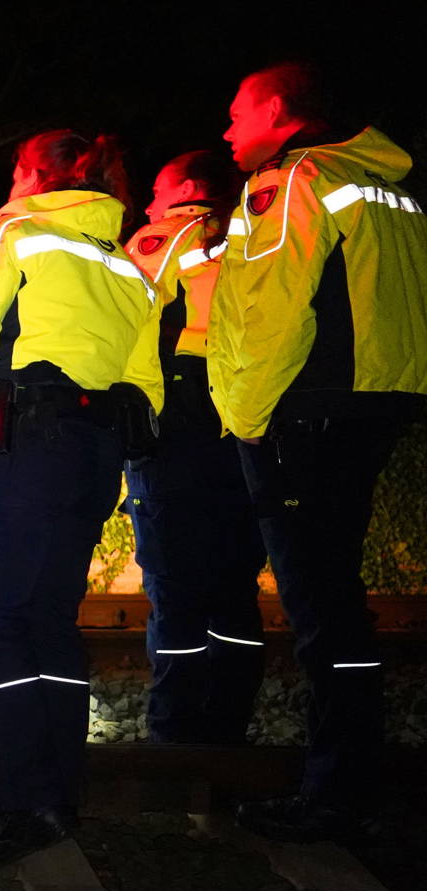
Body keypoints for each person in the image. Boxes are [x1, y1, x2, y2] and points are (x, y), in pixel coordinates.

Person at [210, 61, 427, 841]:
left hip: (305, 413)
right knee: (335, 600)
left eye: (237, 113)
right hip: (372, 404)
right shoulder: (389, 181)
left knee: (320, 610)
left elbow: (271, 310)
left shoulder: (297, 179)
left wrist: (242, 415)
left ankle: (335, 793)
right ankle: (348, 777)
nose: (228, 129)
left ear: (276, 109)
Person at [0, 130, 162, 864]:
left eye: (14, 168)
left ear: (36, 176)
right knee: (50, 623)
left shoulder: (12, 238)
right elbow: (144, 385)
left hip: (13, 449)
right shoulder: (125, 265)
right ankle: (55, 791)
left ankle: (28, 793)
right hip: (89, 455)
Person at [122, 152, 266, 744]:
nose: (150, 202)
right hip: (246, 411)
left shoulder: (158, 242)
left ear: (181, 191)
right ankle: (228, 724)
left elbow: (123, 322)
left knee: (174, 579)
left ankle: (174, 732)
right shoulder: (256, 228)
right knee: (235, 578)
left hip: (175, 415)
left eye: (156, 189)